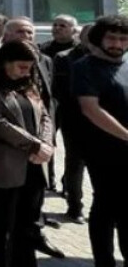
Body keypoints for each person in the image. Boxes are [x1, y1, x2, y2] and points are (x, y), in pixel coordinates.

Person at [0, 39, 54, 267]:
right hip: (7, 162)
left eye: (29, 68)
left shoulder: (29, 84)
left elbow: (45, 115)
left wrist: (45, 143)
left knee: (27, 223)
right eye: (21, 67)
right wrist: (33, 144)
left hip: (34, 162)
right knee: (4, 222)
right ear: (5, 63)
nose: (26, 72)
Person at [72, 15, 128, 267]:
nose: (117, 43)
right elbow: (90, 109)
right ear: (100, 39)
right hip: (104, 150)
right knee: (107, 207)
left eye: (123, 38)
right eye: (112, 38)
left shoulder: (127, 64)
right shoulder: (85, 67)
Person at [3, 17, 65, 257]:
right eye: (21, 32)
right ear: (7, 35)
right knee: (11, 198)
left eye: (30, 32)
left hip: (41, 137)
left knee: (37, 189)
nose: (27, 36)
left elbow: (48, 99)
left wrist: (47, 137)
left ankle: (35, 232)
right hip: (11, 141)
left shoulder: (45, 60)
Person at [53, 23, 92, 223]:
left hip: (103, 119)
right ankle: (75, 206)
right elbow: (60, 91)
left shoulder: (109, 58)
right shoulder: (64, 58)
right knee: (75, 163)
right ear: (81, 37)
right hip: (74, 118)